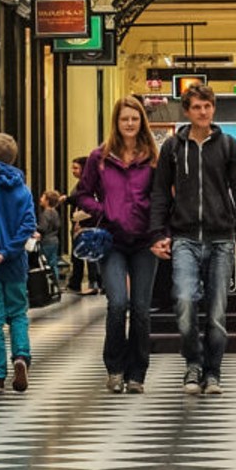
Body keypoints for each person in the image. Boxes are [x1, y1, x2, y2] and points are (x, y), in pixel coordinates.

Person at [154, 79, 236, 395]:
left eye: (207, 106)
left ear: (213, 108)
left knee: (217, 310)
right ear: (187, 111)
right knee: (184, 303)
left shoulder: (228, 146)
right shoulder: (172, 147)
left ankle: (213, 372)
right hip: (184, 237)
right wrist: (158, 233)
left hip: (222, 237)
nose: (203, 112)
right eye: (196, 107)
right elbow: (159, 193)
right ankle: (193, 364)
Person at [72, 96, 166, 392]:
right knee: (117, 304)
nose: (129, 124)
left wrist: (160, 228)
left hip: (144, 242)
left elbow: (164, 197)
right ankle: (114, 368)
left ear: (142, 122)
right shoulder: (99, 158)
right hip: (111, 241)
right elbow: (81, 194)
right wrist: (102, 210)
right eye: (124, 119)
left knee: (140, 308)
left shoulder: (153, 157)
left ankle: (137, 372)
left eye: (134, 119)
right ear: (116, 122)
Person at [0, 133, 39, 394]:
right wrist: (8, 252)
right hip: (15, 263)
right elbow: (28, 224)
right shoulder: (22, 188)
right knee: (18, 315)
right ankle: (21, 356)